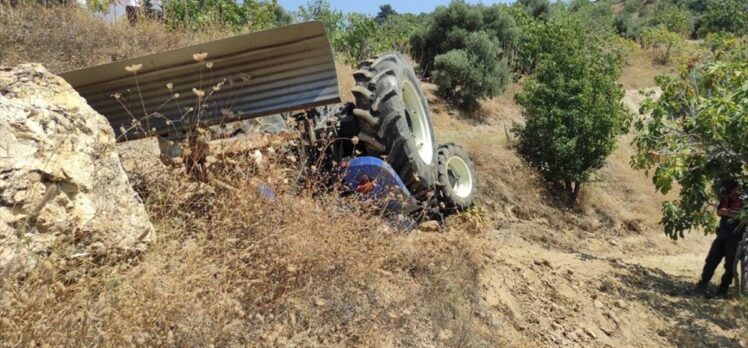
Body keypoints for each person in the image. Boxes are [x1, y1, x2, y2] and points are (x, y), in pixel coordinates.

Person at [693, 179, 745, 298]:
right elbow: (719, 211)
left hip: (736, 237)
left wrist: (729, 213)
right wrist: (726, 212)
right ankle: (702, 285)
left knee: (730, 264)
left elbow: (744, 217)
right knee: (711, 259)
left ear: (735, 189)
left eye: (730, 192)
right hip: (722, 233)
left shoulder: (744, 199)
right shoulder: (725, 197)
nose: (727, 194)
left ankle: (723, 290)